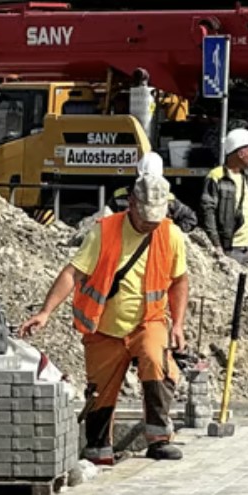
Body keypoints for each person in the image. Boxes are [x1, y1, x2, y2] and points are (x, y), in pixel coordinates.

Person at [19, 174, 189, 466]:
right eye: (145, 216)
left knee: (156, 362)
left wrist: (178, 324)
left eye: (155, 218)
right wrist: (46, 312)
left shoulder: (170, 235)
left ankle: (159, 439)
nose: (150, 224)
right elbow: (72, 273)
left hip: (149, 322)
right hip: (104, 329)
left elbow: (179, 280)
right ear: (131, 203)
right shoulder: (104, 232)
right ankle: (98, 448)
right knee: (100, 390)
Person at [200, 128, 248, 265]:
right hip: (230, 251)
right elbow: (208, 213)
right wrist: (216, 244)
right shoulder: (217, 177)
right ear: (241, 153)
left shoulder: (247, 177)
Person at [112, 153, 200, 235]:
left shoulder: (169, 200)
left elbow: (190, 219)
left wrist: (169, 233)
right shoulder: (119, 196)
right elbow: (106, 222)